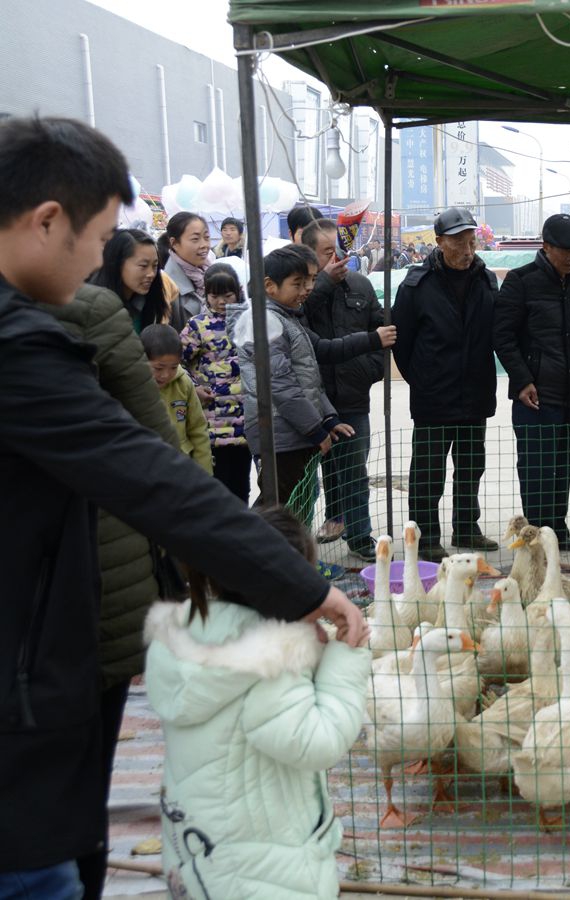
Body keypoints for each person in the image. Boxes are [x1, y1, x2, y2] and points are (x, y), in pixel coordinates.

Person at [0, 114, 369, 897]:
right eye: (102, 239)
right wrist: (302, 585)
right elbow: (148, 474)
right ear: (46, 222)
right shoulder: (19, 347)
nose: (108, 261)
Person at [144, 505, 371, 898]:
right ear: (292, 584)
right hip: (267, 873)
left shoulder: (191, 635)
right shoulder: (273, 659)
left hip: (200, 855)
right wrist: (346, 659)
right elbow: (313, 741)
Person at [37, 278, 179, 900]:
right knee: (78, 784)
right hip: (95, 587)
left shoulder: (90, 313)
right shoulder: (90, 311)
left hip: (98, 585)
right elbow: (159, 451)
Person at [228, 245, 392, 510]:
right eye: (298, 283)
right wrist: (314, 428)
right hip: (280, 434)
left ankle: (291, 551)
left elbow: (308, 377)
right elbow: (281, 386)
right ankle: (255, 550)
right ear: (270, 286)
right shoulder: (265, 323)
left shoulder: (287, 318)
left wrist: (326, 417)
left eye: (310, 282)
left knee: (297, 501)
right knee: (279, 506)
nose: (307, 289)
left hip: (293, 430)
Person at [392, 207, 499, 559]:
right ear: (439, 242)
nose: (467, 251)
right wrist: (423, 379)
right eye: (458, 243)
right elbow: (402, 343)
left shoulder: (486, 279)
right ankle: (424, 538)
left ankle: (467, 529)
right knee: (428, 472)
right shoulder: (415, 284)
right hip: (433, 397)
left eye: (471, 242)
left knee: (471, 467)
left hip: (476, 392)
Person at [494, 213, 570, 552]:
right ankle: (536, 536)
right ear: (547, 246)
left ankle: (558, 531)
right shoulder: (521, 282)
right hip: (534, 396)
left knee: (561, 464)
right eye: (565, 251)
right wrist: (522, 380)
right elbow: (503, 336)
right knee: (537, 467)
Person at [302, 218, 385, 561]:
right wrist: (320, 283)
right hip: (310, 403)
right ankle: (298, 544)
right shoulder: (302, 290)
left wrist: (369, 370)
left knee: (355, 474)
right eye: (326, 253)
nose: (337, 258)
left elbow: (381, 332)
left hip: (352, 398)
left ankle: (361, 536)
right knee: (306, 479)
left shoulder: (361, 286)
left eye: (340, 251)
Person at [181, 264, 250, 501]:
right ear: (206, 295)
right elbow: (177, 362)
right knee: (219, 487)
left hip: (247, 421)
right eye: (214, 295)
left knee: (242, 487)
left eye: (227, 295)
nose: (221, 301)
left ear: (238, 291)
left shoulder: (251, 321)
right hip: (213, 420)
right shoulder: (197, 325)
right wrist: (194, 388)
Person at [143, 324, 213, 473]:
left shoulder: (184, 383)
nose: (166, 375)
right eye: (158, 368)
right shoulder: (131, 387)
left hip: (179, 468)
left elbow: (198, 430)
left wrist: (204, 476)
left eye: (173, 367)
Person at [88, 228, 170, 334]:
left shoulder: (149, 303)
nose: (151, 274)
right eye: (143, 266)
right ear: (118, 263)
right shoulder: (95, 309)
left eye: (155, 266)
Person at [158, 211, 212, 327]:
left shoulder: (214, 274)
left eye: (206, 238)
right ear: (174, 243)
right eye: (195, 239)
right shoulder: (165, 285)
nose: (204, 245)